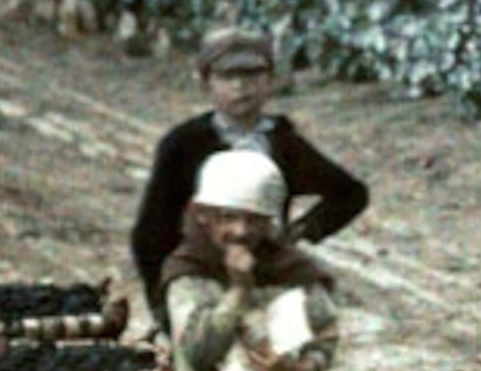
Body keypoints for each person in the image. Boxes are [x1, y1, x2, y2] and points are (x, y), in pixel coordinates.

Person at [130, 26, 369, 329]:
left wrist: (300, 231)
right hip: (206, 278)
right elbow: (151, 233)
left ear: (271, 80)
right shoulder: (185, 144)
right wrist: (164, 304)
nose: (241, 87)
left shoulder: (283, 142)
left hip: (269, 276)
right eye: (227, 78)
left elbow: (349, 193)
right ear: (205, 83)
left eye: (253, 76)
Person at [165, 151, 348, 371]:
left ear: (270, 223)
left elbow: (324, 338)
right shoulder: (189, 274)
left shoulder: (292, 270)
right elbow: (199, 353)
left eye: (255, 220)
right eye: (228, 217)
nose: (241, 230)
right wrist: (238, 291)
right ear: (203, 215)